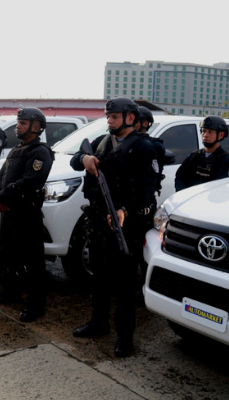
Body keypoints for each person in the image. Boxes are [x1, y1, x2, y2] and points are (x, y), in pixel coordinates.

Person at [70, 97, 159, 357]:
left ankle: (125, 337)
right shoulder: (102, 142)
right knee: (99, 273)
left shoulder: (144, 147)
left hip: (126, 223)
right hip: (100, 219)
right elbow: (76, 160)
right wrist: (85, 158)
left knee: (124, 282)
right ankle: (98, 322)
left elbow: (147, 189)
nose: (109, 120)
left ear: (130, 118)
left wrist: (125, 209)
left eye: (114, 116)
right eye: (108, 116)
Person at [0, 107, 54, 323]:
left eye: (23, 123)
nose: (18, 126)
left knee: (32, 261)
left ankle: (36, 305)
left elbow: (30, 182)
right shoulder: (17, 149)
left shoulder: (40, 152)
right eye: (19, 122)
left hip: (26, 213)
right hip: (9, 213)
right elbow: (2, 174)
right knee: (6, 254)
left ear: (36, 127)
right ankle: (10, 292)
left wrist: (3, 197)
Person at [174, 116, 229, 192]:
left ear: (221, 135)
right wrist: (183, 194)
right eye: (203, 131)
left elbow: (220, 186)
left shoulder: (225, 160)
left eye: (210, 132)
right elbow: (180, 177)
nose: (205, 135)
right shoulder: (194, 156)